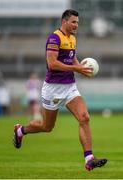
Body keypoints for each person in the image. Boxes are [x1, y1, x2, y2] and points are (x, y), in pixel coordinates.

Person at [13, 9, 107, 171]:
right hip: (53, 90)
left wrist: (80, 67)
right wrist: (77, 69)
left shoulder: (72, 38)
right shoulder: (54, 38)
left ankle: (89, 158)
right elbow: (53, 64)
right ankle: (21, 130)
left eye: (77, 22)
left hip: (70, 87)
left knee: (84, 117)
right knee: (47, 127)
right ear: (64, 21)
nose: (76, 25)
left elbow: (72, 58)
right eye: (73, 22)